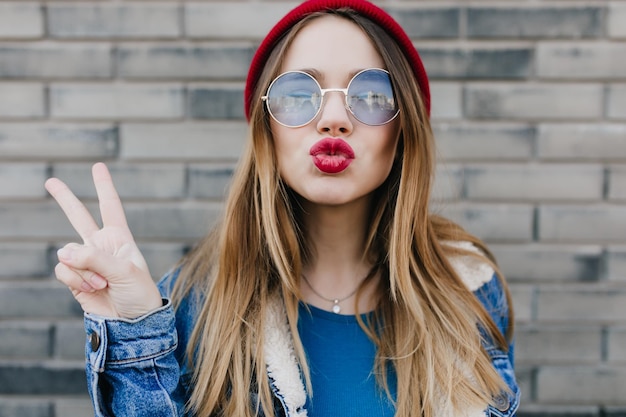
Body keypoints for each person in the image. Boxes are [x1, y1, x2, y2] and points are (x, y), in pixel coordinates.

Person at [44, 1, 520, 416]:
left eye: (370, 95)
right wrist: (135, 335)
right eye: (299, 95)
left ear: (404, 130)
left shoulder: (469, 290)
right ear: (266, 130)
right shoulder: (192, 306)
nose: (334, 118)